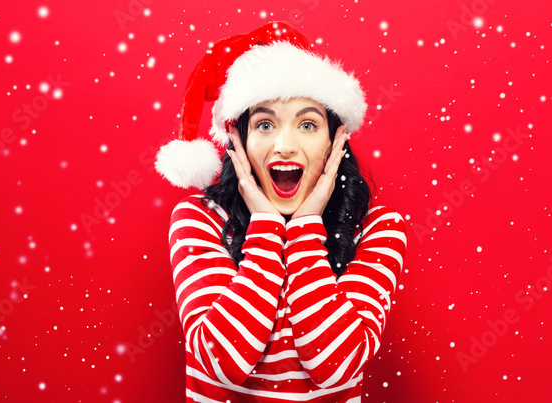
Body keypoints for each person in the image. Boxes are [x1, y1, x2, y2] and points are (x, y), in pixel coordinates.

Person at [154, 21, 408, 402]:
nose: (285, 145)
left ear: (336, 141)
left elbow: (335, 364)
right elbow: (222, 360)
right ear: (237, 141)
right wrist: (266, 226)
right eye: (265, 124)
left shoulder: (377, 230)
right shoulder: (199, 220)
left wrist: (305, 227)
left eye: (307, 124)